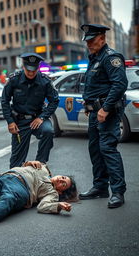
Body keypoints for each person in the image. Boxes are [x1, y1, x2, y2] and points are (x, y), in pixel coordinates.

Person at [0, 160, 78, 233]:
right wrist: (29, 162)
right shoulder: (43, 167)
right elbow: (25, 165)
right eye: (62, 177)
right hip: (6, 176)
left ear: (61, 191)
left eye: (63, 184)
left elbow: (43, 206)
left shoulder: (52, 193)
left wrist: (58, 205)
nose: (60, 180)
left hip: (22, 188)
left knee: (8, 199)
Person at [79, 24, 128, 208]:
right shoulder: (94, 58)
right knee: (95, 150)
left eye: (92, 40)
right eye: (87, 41)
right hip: (95, 112)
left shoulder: (111, 57)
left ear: (102, 38)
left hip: (107, 113)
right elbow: (96, 85)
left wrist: (105, 108)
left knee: (108, 149)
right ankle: (100, 187)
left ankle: (117, 191)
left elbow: (119, 84)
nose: (89, 44)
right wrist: (89, 104)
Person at [1, 53, 59, 168]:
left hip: (38, 118)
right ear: (23, 67)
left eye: (34, 70)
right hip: (20, 121)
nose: (31, 73)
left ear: (38, 68)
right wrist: (10, 121)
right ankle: (15, 178)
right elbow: (4, 101)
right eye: (29, 70)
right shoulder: (14, 80)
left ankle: (40, 164)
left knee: (48, 131)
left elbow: (54, 101)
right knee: (16, 163)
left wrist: (42, 117)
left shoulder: (45, 81)